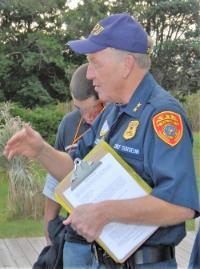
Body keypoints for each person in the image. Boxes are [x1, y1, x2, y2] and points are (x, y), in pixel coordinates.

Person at [4, 13, 200, 269]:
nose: (89, 75)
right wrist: (42, 150)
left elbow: (180, 206)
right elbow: (79, 170)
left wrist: (106, 212)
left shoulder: (162, 116)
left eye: (94, 63)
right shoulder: (112, 111)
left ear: (127, 64)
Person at [43, 63, 104, 244]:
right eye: (80, 109)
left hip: (110, 236)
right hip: (75, 238)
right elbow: (55, 180)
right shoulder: (68, 123)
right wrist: (49, 235)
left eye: (94, 107)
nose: (87, 116)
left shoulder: (117, 120)